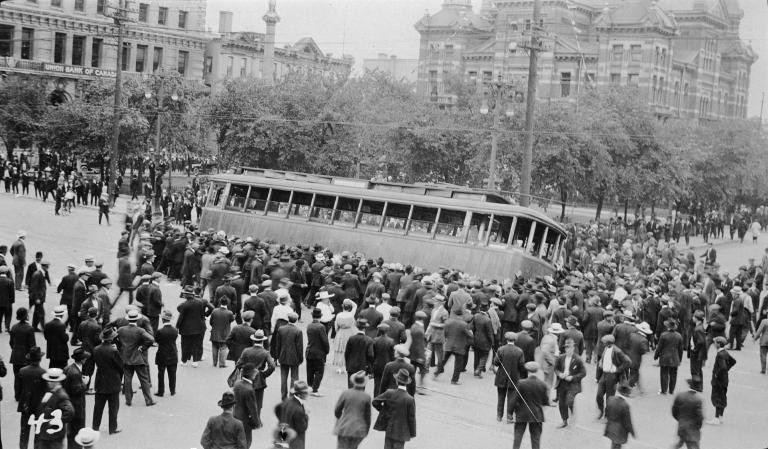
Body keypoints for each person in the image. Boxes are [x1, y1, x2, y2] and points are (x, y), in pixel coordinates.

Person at [116, 309, 156, 407]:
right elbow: (151, 339)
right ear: (137, 320)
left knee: (127, 379)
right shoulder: (140, 330)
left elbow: (114, 337)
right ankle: (148, 400)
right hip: (138, 358)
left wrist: (120, 346)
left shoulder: (121, 330)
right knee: (144, 380)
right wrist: (143, 347)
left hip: (126, 358)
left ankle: (128, 400)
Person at [372, 368, 417, 449]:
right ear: (407, 383)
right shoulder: (410, 399)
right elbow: (411, 418)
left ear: (397, 381)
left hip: (390, 428)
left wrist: (384, 411)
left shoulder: (389, 393)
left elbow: (375, 402)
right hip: (402, 432)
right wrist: (412, 433)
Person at [92, 328, 123, 435]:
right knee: (113, 407)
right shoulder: (114, 351)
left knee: (98, 407)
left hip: (100, 380)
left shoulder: (96, 349)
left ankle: (95, 427)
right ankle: (112, 428)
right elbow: (120, 366)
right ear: (112, 339)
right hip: (113, 381)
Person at [34, 368, 75, 449]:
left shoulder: (61, 395)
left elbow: (70, 411)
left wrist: (56, 422)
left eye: (51, 381)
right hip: (46, 433)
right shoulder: (50, 392)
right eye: (48, 380)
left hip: (54, 435)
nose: (49, 383)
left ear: (57, 382)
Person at [511, 362, 549, 449]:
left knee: (518, 436)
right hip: (537, 415)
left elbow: (514, 399)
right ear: (537, 371)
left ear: (528, 371)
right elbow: (545, 402)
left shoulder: (521, 383)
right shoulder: (543, 385)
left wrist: (510, 412)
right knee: (536, 439)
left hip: (522, 414)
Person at [596, 334, 631, 419]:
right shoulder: (606, 348)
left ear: (608, 343)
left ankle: (607, 415)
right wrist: (600, 363)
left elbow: (628, 362)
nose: (602, 343)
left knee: (609, 398)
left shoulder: (617, 351)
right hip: (604, 375)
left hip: (612, 376)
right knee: (599, 396)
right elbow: (603, 359)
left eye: (604, 342)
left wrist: (618, 370)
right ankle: (601, 411)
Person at [334, 371, 372, 449]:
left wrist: (340, 419)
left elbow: (337, 410)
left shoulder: (346, 393)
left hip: (344, 427)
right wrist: (366, 430)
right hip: (359, 429)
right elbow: (367, 416)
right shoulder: (367, 397)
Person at [554, 337, 587, 428]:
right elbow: (555, 368)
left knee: (568, 401)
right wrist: (560, 374)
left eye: (570, 347)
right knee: (561, 403)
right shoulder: (561, 358)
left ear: (573, 348)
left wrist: (572, 377)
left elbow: (583, 373)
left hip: (572, 384)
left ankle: (571, 408)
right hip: (562, 383)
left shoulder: (578, 359)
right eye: (566, 347)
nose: (568, 349)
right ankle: (564, 421)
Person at [177, 286, 213, 367]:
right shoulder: (200, 303)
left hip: (186, 328)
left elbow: (180, 316)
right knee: (196, 344)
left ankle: (184, 360)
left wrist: (177, 326)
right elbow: (201, 314)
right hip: (198, 327)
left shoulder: (184, 304)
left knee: (185, 344)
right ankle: (195, 361)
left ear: (186, 295)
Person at [494, 331, 526, 423]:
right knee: (512, 398)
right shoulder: (519, 351)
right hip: (514, 378)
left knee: (501, 397)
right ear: (515, 340)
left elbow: (496, 363)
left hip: (501, 377)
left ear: (506, 339)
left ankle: (499, 416)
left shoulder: (501, 349)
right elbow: (521, 365)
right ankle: (509, 417)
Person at [436, 308, 473, 385]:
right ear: (462, 314)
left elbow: (445, 333)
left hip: (449, 344)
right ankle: (454, 380)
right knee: (458, 364)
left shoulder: (448, 322)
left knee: (444, 360)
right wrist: (471, 334)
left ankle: (437, 372)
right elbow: (469, 335)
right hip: (459, 346)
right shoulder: (464, 324)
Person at [18, 346, 45, 449]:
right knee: (38, 433)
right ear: (40, 359)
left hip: (25, 406)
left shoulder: (22, 371)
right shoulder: (43, 373)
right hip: (38, 407)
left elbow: (19, 389)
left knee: (24, 432)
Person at [63, 348, 90, 449]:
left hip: (70, 404)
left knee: (71, 433)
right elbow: (76, 390)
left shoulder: (68, 368)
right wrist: (84, 383)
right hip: (77, 406)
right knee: (78, 432)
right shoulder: (75, 373)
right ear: (83, 360)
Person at [707, 336, 736, 425]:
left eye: (715, 342)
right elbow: (733, 361)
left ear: (718, 344)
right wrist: (727, 369)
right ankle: (721, 417)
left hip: (718, 380)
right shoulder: (725, 352)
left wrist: (717, 374)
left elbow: (722, 367)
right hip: (725, 379)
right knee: (722, 397)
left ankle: (716, 418)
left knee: (717, 397)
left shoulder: (720, 354)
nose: (714, 343)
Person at [274, 380, 310, 449]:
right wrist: (306, 415)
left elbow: (277, 409)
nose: (307, 394)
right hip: (295, 441)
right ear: (299, 394)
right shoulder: (299, 410)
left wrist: (281, 420)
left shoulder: (288, 400)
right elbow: (302, 428)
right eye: (305, 393)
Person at [10, 307, 36, 402]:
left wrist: (15, 349)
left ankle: (17, 395)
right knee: (26, 377)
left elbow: (11, 342)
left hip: (15, 356)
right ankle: (25, 395)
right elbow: (32, 345)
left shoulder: (14, 327)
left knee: (17, 376)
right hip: (26, 356)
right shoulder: (29, 329)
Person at [276, 312, 303, 400]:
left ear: (288, 319)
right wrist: (301, 358)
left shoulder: (281, 329)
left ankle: (283, 396)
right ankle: (292, 396)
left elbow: (278, 345)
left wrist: (277, 356)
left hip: (283, 356)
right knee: (294, 378)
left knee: (283, 377)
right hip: (294, 357)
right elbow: (299, 347)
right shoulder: (298, 331)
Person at [233, 363, 260, 448]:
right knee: (246, 442)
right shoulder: (249, 390)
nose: (255, 375)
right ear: (251, 374)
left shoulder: (237, 384)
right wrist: (257, 422)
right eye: (254, 373)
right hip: (245, 420)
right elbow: (252, 409)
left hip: (235, 416)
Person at [672, 377, 704, 449]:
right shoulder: (697, 400)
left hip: (682, 426)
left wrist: (681, 420)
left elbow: (674, 412)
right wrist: (698, 427)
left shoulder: (680, 396)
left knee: (680, 442)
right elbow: (700, 417)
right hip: (692, 430)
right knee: (693, 446)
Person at [305, 308, 330, 397]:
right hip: (318, 352)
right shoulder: (321, 327)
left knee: (310, 370)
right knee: (319, 371)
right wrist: (327, 351)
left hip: (309, 351)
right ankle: (315, 389)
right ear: (320, 316)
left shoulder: (309, 325)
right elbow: (325, 340)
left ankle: (310, 386)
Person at [655, 319, 683, 395]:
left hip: (664, 357)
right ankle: (671, 390)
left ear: (668, 327)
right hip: (675, 357)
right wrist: (680, 359)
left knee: (664, 373)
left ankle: (664, 390)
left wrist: (656, 356)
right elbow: (680, 349)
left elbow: (659, 347)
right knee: (673, 374)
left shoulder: (663, 335)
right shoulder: (679, 336)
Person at [154, 309, 179, 397]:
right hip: (173, 354)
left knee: (161, 374)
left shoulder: (160, 331)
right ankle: (172, 390)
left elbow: (157, 341)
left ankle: (161, 391)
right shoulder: (175, 330)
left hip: (162, 354)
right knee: (172, 373)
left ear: (163, 319)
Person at [604, 384, 635, 449]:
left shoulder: (610, 399)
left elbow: (607, 412)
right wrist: (632, 432)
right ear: (626, 394)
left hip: (610, 427)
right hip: (620, 431)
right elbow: (627, 422)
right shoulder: (625, 405)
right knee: (617, 446)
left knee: (614, 444)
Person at [345, 318, 374, 388]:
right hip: (363, 366)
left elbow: (347, 353)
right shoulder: (369, 340)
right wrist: (370, 368)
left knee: (350, 386)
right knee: (361, 386)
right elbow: (370, 355)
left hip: (351, 365)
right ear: (365, 329)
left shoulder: (351, 338)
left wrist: (347, 365)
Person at [210, 298, 235, 368]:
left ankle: (214, 363)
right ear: (227, 303)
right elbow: (232, 320)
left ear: (220, 302)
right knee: (223, 348)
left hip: (214, 332)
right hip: (225, 333)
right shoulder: (229, 313)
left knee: (214, 347)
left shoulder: (214, 311)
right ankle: (222, 364)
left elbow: (211, 322)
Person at [372, 323, 395, 396]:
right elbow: (392, 355)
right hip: (387, 364)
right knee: (386, 382)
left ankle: (376, 397)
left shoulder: (375, 340)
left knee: (377, 383)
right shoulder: (391, 341)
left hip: (377, 364)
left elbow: (373, 354)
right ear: (387, 331)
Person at [29, 260, 50, 331]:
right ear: (43, 266)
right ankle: (44, 328)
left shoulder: (41, 273)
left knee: (36, 312)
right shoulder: (38, 274)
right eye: (47, 266)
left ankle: (34, 326)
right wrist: (37, 298)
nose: (48, 268)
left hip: (40, 297)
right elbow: (34, 288)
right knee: (41, 313)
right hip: (38, 298)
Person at [0, 265, 15, 331]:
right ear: (6, 272)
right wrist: (12, 301)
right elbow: (12, 293)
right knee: (8, 315)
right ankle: (7, 327)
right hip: (8, 302)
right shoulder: (10, 281)